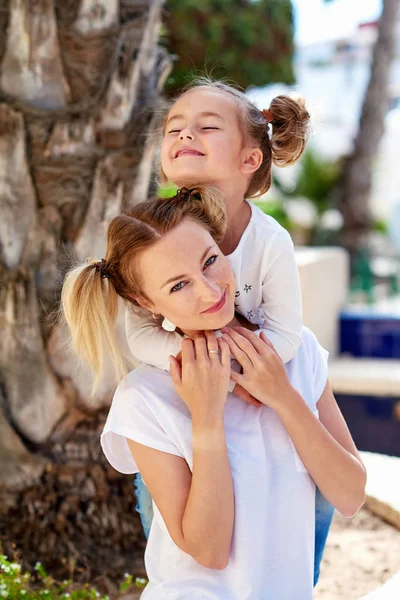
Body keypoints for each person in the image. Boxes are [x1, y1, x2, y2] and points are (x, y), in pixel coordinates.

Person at [61, 187, 366, 599]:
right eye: (178, 286)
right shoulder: (144, 398)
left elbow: (349, 495)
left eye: (210, 261)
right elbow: (209, 550)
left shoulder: (298, 353)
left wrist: (283, 396)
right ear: (144, 301)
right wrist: (206, 418)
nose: (209, 290)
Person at [125, 78, 333, 584]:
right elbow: (139, 335)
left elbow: (287, 331)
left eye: (206, 127)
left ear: (249, 160)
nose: (183, 134)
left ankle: (296, 581)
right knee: (173, 510)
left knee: (316, 502)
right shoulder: (154, 234)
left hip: (263, 381)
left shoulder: (269, 240)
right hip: (193, 390)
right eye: (175, 128)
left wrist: (241, 370)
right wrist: (200, 360)